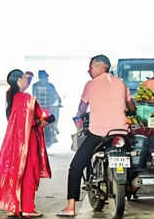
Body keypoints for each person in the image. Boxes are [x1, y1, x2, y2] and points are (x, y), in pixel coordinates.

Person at [57, 55, 135, 217]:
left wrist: (79, 115)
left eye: (91, 67)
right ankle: (132, 185)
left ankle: (70, 206)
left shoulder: (91, 85)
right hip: (120, 131)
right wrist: (128, 111)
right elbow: (131, 106)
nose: (89, 70)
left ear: (101, 67)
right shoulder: (121, 83)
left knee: (76, 166)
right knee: (131, 156)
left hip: (98, 133)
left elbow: (82, 107)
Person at [0, 69, 51, 218]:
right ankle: (28, 208)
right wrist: (44, 120)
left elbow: (14, 119)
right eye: (23, 78)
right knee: (29, 171)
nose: (26, 80)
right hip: (29, 140)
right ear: (18, 80)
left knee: (15, 171)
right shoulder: (27, 98)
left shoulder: (11, 97)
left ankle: (14, 206)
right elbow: (37, 120)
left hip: (14, 141)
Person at [32, 70, 62, 146]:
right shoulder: (35, 86)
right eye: (42, 78)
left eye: (44, 78)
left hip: (48, 108)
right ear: (40, 78)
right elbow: (33, 97)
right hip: (39, 109)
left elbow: (56, 95)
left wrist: (59, 101)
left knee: (53, 118)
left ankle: (55, 127)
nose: (44, 79)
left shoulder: (50, 86)